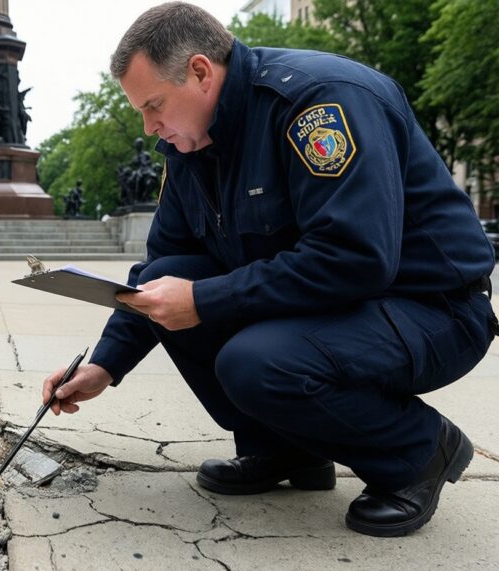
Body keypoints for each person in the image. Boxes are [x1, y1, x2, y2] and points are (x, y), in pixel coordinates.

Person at [41, 2, 498, 538]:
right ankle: (286, 450)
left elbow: (355, 257)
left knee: (254, 362)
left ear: (200, 72)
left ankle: (418, 451)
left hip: (432, 307)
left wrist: (204, 301)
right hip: (340, 304)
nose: (149, 128)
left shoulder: (319, 103)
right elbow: (158, 270)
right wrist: (104, 365)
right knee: (173, 276)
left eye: (154, 105)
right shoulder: (190, 145)